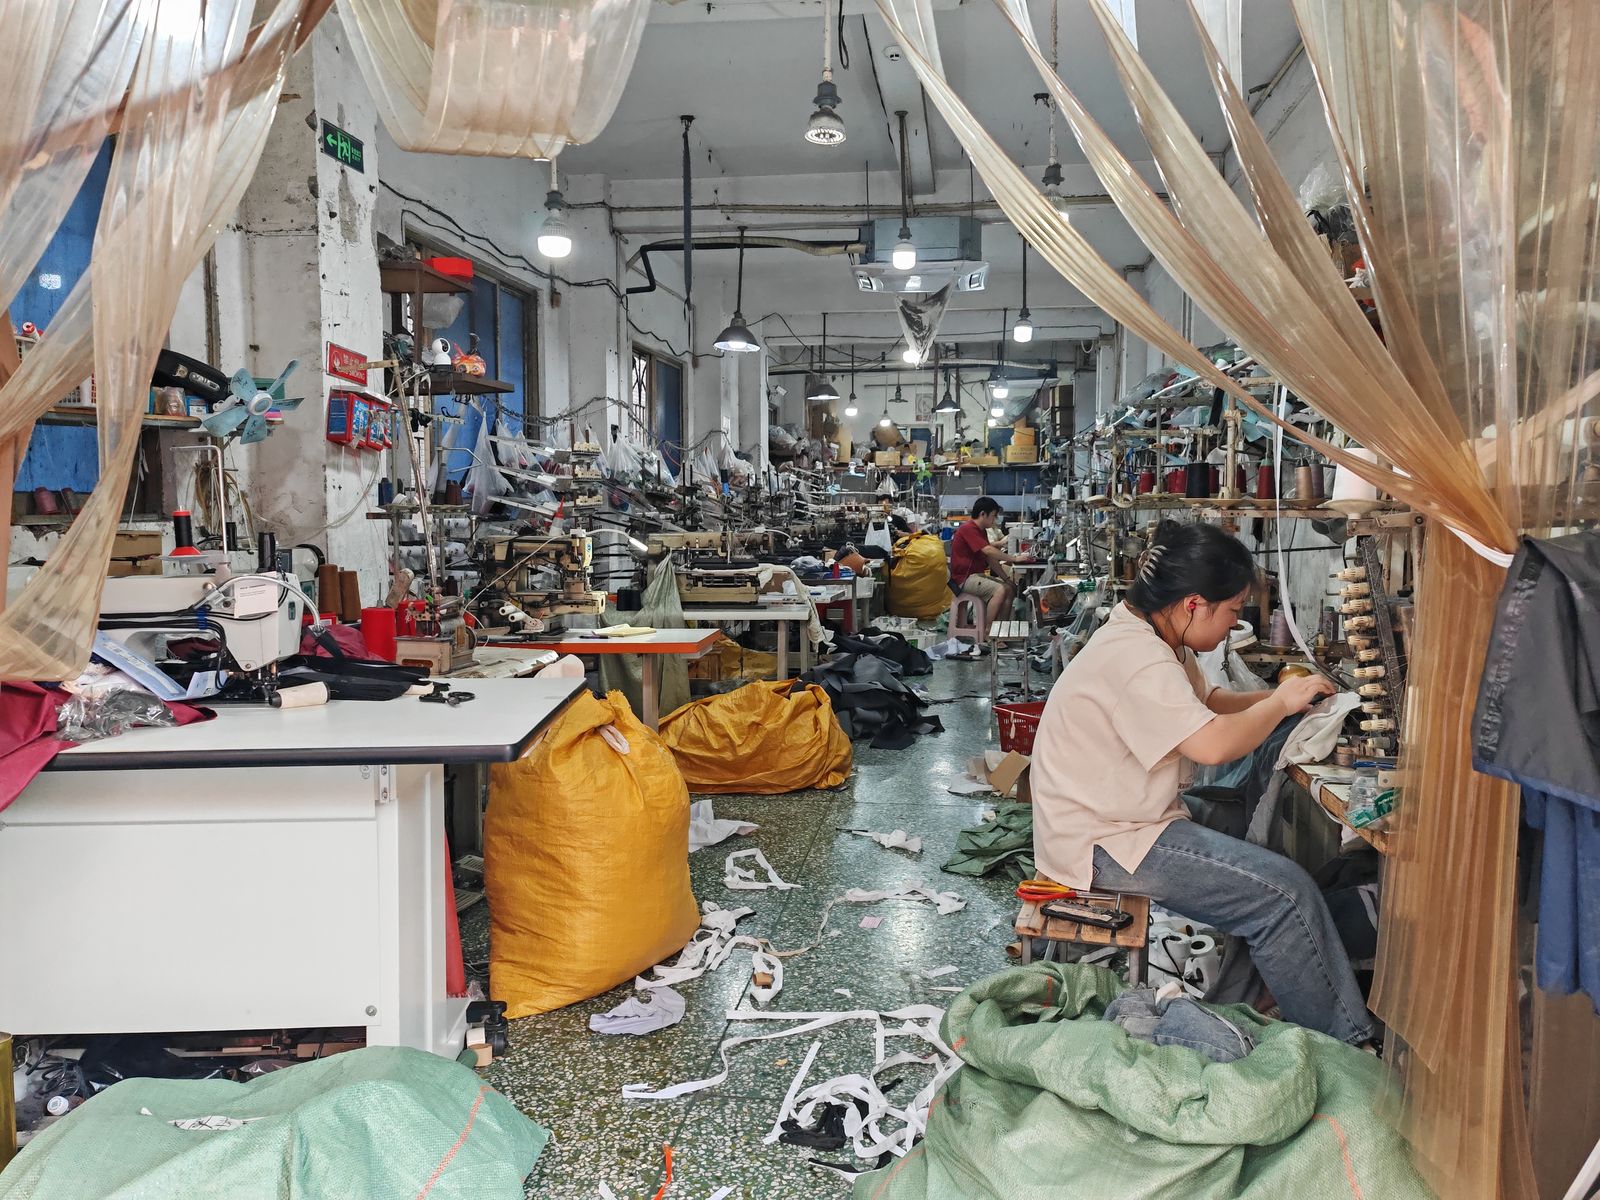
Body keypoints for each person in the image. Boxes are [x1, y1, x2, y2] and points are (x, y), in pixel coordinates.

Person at [1030, 520, 1374, 1045]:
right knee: (1284, 893)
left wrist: (1282, 701)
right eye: (1233, 611)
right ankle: (1345, 1044)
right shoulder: (1137, 659)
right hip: (1103, 842)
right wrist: (1280, 702)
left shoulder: (1156, 637)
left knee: (1250, 842)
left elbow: (1208, 704)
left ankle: (1245, 999)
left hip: (1119, 819)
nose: (1235, 623)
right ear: (1194, 604)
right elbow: (1211, 744)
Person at [949, 497, 1025, 635]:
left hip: (976, 576)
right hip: (964, 579)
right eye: (994, 516)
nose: (995, 520)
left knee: (1009, 589)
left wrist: (1006, 579)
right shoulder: (968, 529)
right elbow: (988, 550)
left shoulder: (981, 531)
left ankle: (1001, 631)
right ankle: (988, 632)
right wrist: (1014, 558)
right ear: (983, 514)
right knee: (1000, 590)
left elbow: (990, 558)